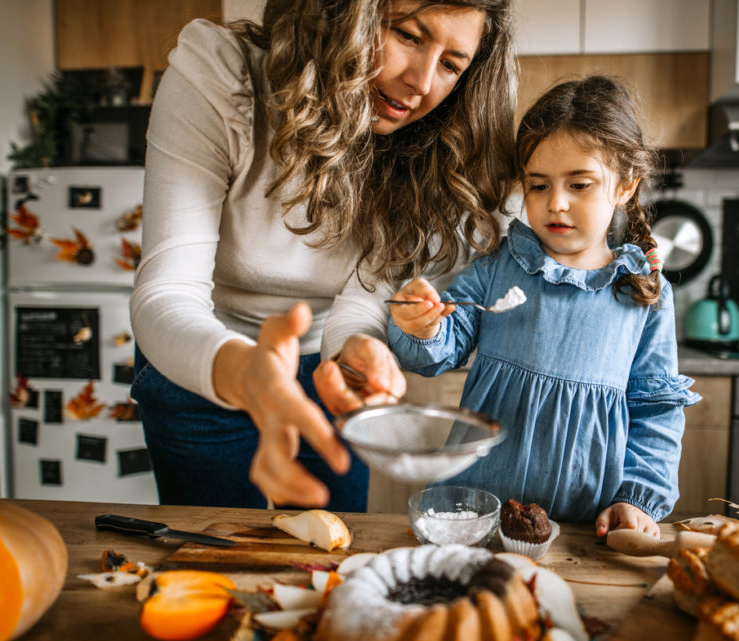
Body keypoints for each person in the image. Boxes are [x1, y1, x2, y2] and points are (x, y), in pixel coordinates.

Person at [129, 0, 518, 510]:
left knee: (329, 559)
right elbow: (166, 293)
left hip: (326, 377)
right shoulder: (223, 77)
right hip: (197, 360)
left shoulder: (430, 148)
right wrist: (250, 374)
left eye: (450, 65)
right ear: (344, 14)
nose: (421, 83)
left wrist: (356, 347)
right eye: (407, 35)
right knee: (216, 561)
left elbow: (362, 295)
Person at [388, 76, 701, 538]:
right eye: (537, 186)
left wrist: (637, 497)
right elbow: (434, 353)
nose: (556, 203)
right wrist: (421, 325)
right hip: (474, 516)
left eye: (579, 184)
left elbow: (656, 413)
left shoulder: (643, 294)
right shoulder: (498, 268)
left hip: (586, 527)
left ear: (625, 186)